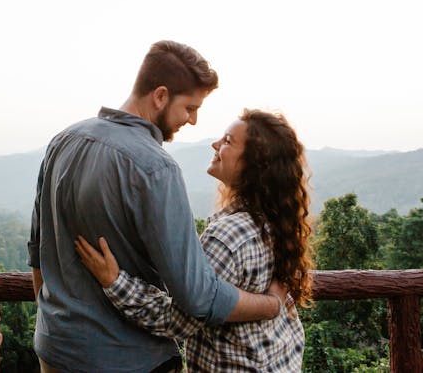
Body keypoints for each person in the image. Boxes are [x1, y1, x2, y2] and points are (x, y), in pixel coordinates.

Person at [28, 42, 287, 372]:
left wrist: (53, 324)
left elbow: (37, 250)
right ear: (161, 96)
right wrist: (270, 305)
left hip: (53, 351)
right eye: (190, 107)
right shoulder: (155, 168)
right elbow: (198, 296)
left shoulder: (63, 141)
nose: (192, 120)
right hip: (129, 357)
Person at [76, 109, 313, 372]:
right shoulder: (275, 220)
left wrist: (115, 281)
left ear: (254, 164)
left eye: (227, 141)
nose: (215, 144)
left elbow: (180, 321)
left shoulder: (226, 237)